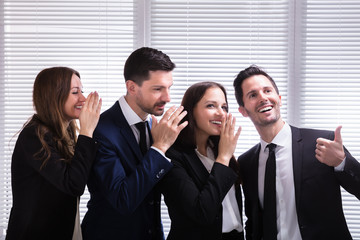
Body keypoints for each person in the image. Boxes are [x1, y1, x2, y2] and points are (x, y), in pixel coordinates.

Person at [233, 65, 360, 240]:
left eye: (267, 91)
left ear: (279, 98)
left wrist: (342, 162)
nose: (263, 98)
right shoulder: (246, 162)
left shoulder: (323, 143)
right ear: (243, 111)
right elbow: (254, 222)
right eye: (253, 95)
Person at [81, 47, 188, 240]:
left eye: (169, 87)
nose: (167, 97)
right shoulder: (100, 130)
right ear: (131, 87)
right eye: (157, 89)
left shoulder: (155, 127)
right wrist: (159, 148)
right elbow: (123, 199)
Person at [6, 67, 102, 240]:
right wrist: (87, 131)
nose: (83, 98)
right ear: (54, 96)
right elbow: (73, 185)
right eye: (75, 92)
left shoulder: (67, 131)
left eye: (82, 91)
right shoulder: (34, 135)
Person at [159, 81, 243, 240]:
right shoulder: (173, 157)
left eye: (224, 107)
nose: (221, 113)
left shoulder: (220, 150)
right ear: (191, 111)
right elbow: (202, 213)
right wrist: (223, 158)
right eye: (211, 106)